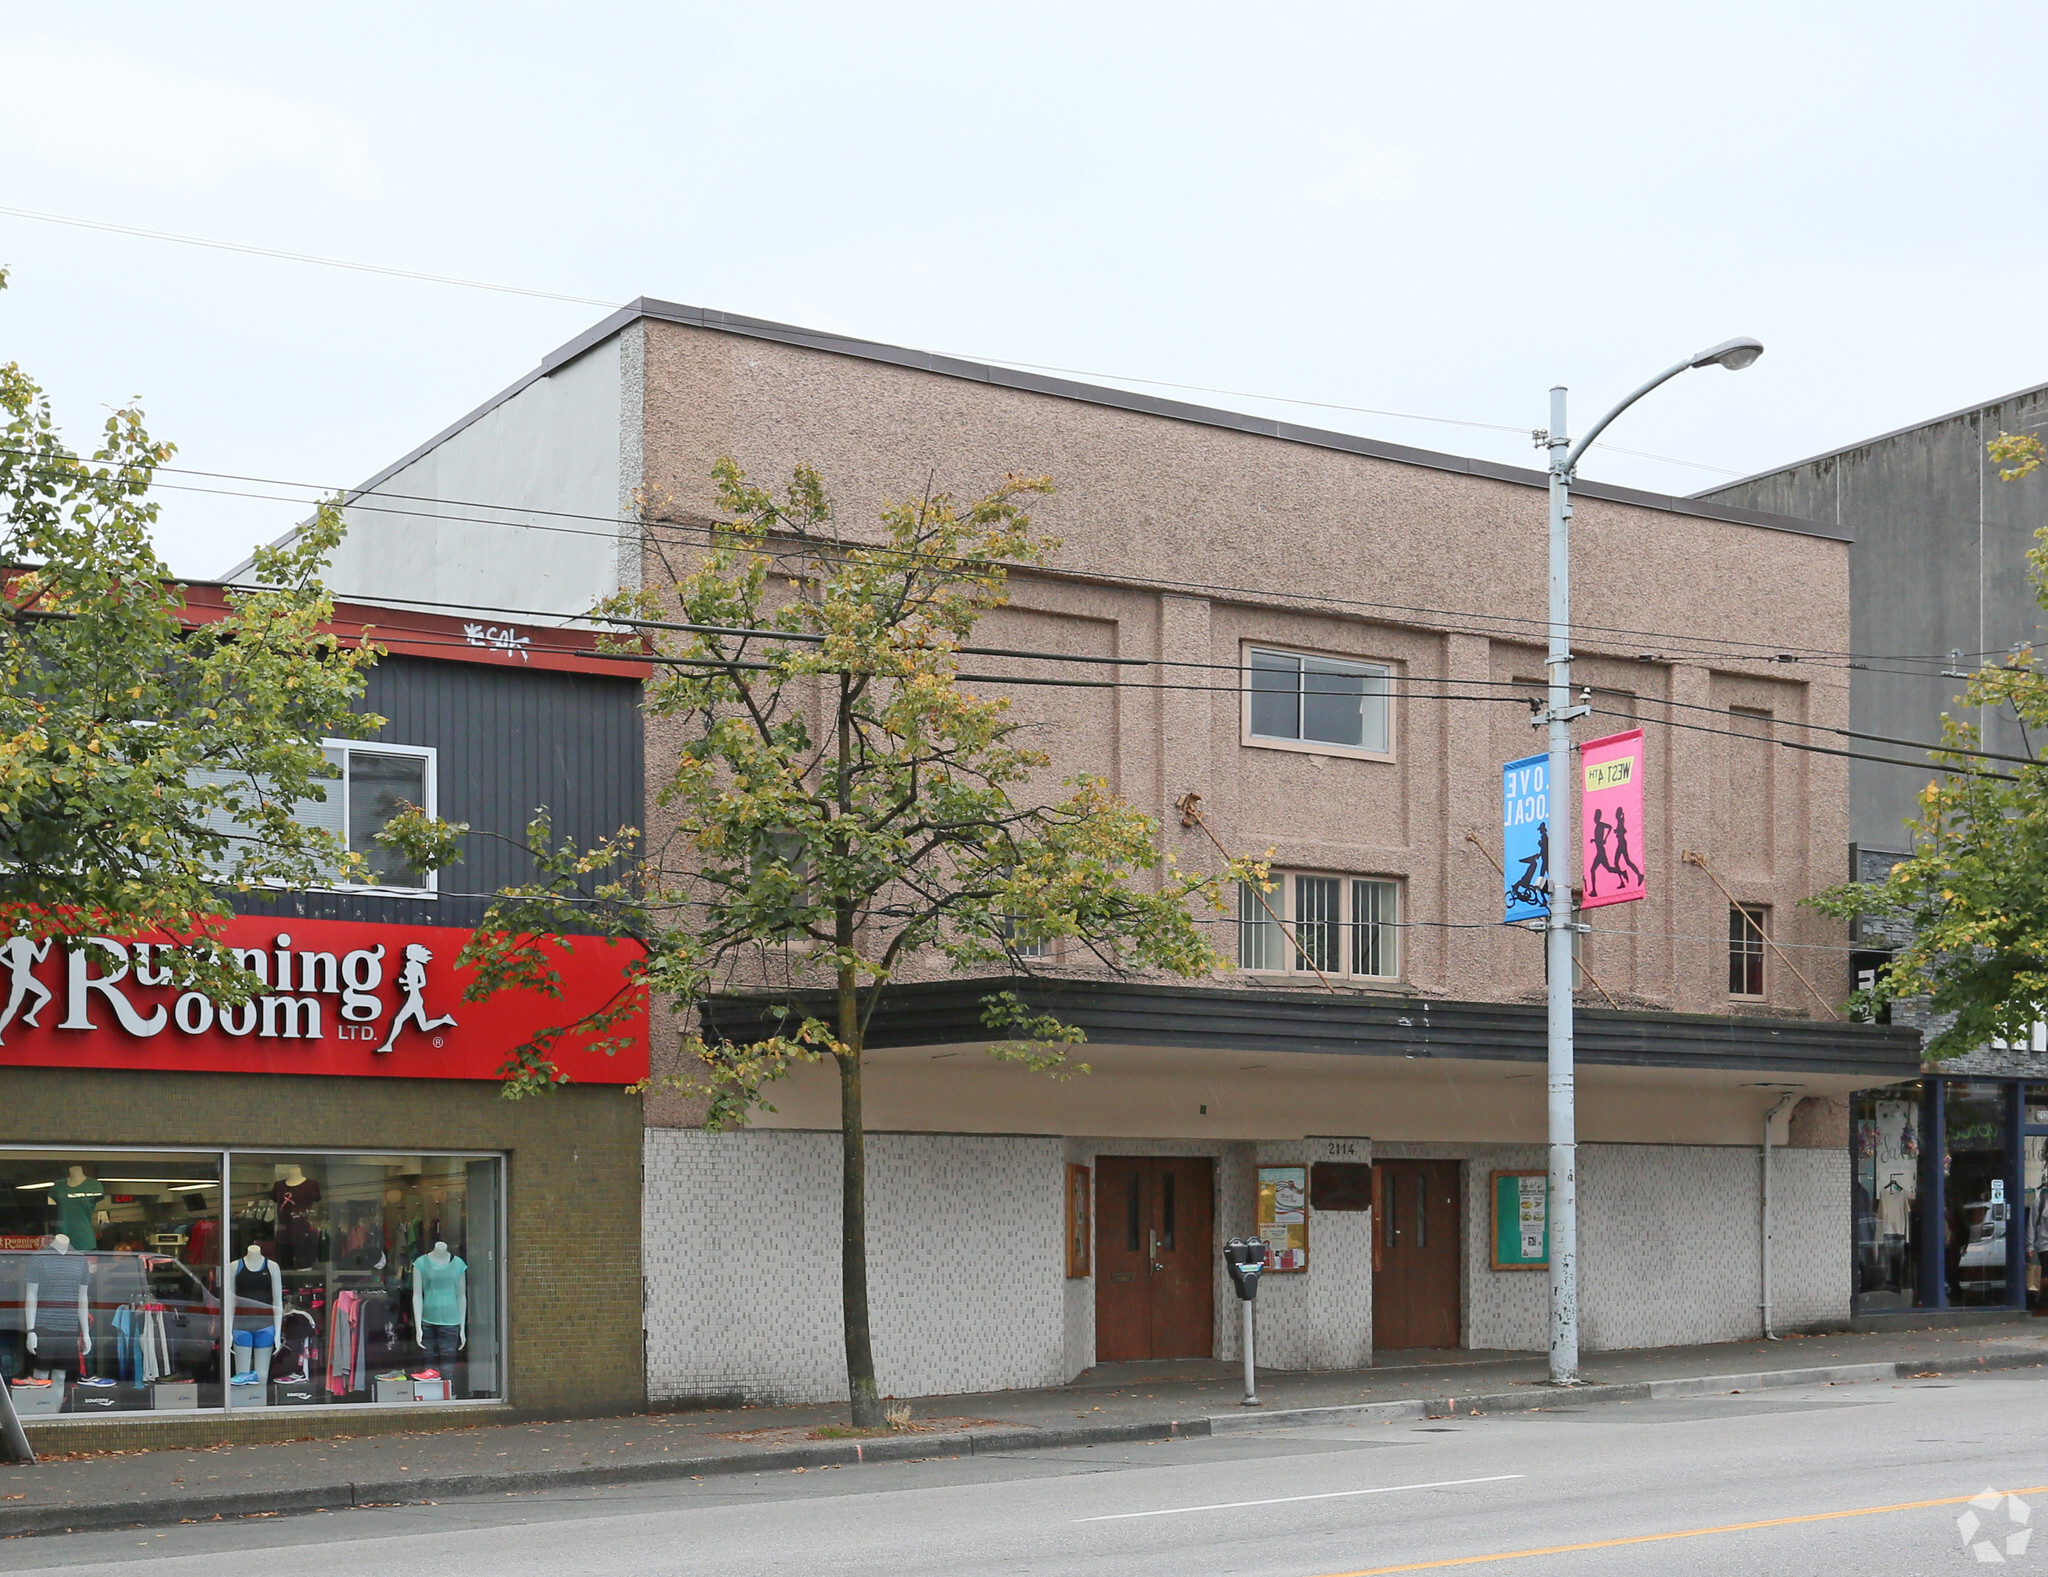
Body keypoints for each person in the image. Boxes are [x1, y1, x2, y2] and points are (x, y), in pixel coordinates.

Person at [377, 944, 457, 1054]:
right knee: (423, 1026)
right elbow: (411, 981)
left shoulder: (417, 966)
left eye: (409, 951)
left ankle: (388, 1045)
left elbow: (422, 982)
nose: (407, 953)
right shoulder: (409, 965)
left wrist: (409, 986)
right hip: (413, 997)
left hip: (414, 997)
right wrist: (404, 983)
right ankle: (444, 1020)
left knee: (398, 1020)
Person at [0, 936, 53, 1043]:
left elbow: (40, 959)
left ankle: (30, 1015)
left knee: (46, 995)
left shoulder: (30, 942)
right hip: (19, 976)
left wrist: (47, 945)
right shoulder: (14, 941)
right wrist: (12, 966)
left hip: (26, 975)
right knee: (12, 1007)